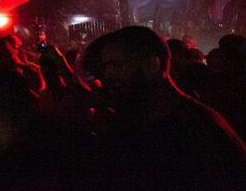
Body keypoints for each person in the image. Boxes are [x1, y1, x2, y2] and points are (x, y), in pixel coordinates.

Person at [83, 26, 246, 190]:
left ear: (152, 65)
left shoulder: (192, 128)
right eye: (106, 67)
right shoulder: (140, 120)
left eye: (116, 66)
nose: (108, 76)